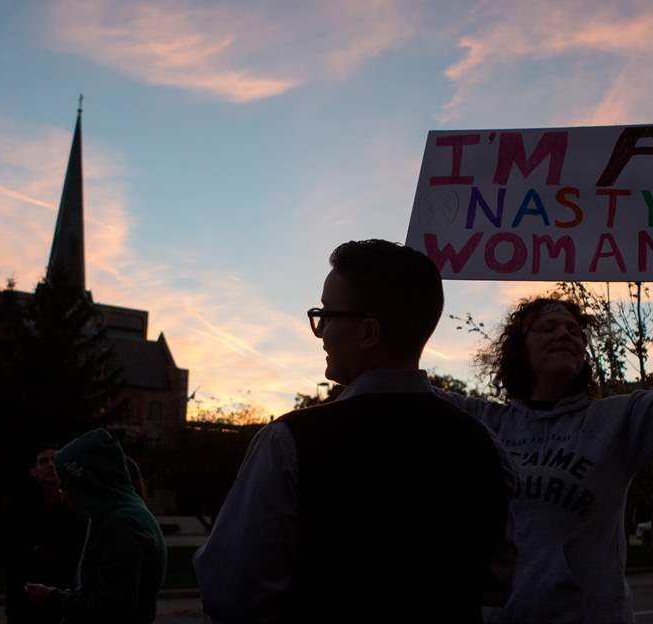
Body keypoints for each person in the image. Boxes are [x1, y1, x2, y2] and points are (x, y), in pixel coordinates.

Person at [194, 239, 515, 623]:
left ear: (367, 332)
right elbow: (498, 581)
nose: (321, 332)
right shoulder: (486, 445)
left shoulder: (289, 442)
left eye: (327, 315)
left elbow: (231, 593)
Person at [433, 231, 653, 623]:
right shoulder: (483, 421)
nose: (564, 334)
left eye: (574, 331)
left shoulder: (618, 421)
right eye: (547, 328)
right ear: (518, 351)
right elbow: (397, 386)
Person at [24, 429, 166, 623]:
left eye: (67, 486)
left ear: (87, 480)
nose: (63, 495)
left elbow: (110, 609)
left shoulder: (122, 524)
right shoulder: (119, 515)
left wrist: (53, 598)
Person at [0, 442, 86, 623]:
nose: (51, 465)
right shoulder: (17, 508)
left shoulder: (74, 507)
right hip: (24, 604)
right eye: (44, 461)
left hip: (62, 604)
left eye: (55, 460)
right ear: (33, 471)